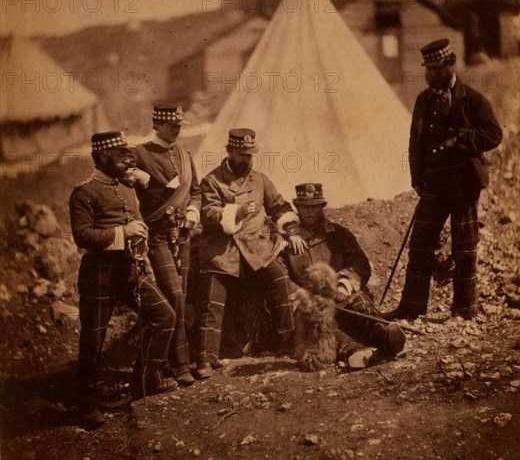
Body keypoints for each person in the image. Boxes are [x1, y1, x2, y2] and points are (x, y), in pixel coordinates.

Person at [385, 39, 502, 322]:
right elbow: (415, 142)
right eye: (428, 69)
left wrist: (461, 138)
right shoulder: (423, 101)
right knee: (420, 243)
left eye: (437, 68)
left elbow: (494, 134)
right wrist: (417, 179)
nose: (431, 74)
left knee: (463, 248)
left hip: (464, 184)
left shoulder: (472, 99)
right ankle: (411, 307)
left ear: (451, 65)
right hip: (434, 184)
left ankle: (464, 310)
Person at [69, 131, 176, 431]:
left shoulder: (127, 188)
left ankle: (145, 380)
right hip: (97, 274)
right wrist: (123, 234)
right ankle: (88, 402)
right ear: (101, 157)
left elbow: (136, 223)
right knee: (93, 341)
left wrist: (138, 242)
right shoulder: (84, 193)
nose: (127, 159)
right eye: (119, 155)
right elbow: (82, 236)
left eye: (128, 154)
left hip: (129, 271)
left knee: (164, 315)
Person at [195, 128, 306, 379]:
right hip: (224, 251)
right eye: (242, 155)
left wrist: (291, 230)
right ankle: (205, 359)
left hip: (257, 249)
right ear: (229, 151)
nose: (247, 160)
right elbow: (209, 213)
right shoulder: (212, 180)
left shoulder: (260, 179)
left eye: (250, 155)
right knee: (212, 300)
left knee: (279, 279)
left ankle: (287, 342)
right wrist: (237, 212)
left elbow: (279, 206)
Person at [285, 183, 406, 368]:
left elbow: (360, 263)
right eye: (305, 207)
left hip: (345, 296)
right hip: (312, 304)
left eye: (315, 206)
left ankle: (387, 336)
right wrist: (304, 296)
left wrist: (344, 284)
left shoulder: (339, 234)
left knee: (362, 305)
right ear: (297, 207)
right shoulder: (287, 242)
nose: (310, 211)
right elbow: (281, 277)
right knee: (319, 322)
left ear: (322, 206)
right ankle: (355, 351)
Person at [129, 103, 201, 386]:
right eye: (172, 126)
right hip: (157, 236)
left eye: (180, 126)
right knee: (173, 297)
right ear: (157, 124)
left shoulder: (184, 154)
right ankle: (178, 365)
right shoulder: (139, 153)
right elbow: (117, 177)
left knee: (181, 294)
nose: (177, 130)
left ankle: (173, 364)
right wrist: (132, 174)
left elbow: (195, 190)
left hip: (182, 235)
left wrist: (194, 210)